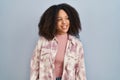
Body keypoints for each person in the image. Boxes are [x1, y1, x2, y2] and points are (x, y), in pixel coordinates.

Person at [30, 3, 87, 80]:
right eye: (59, 19)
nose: (64, 22)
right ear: (52, 22)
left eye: (67, 18)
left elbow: (80, 72)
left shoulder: (76, 45)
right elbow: (34, 67)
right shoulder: (43, 42)